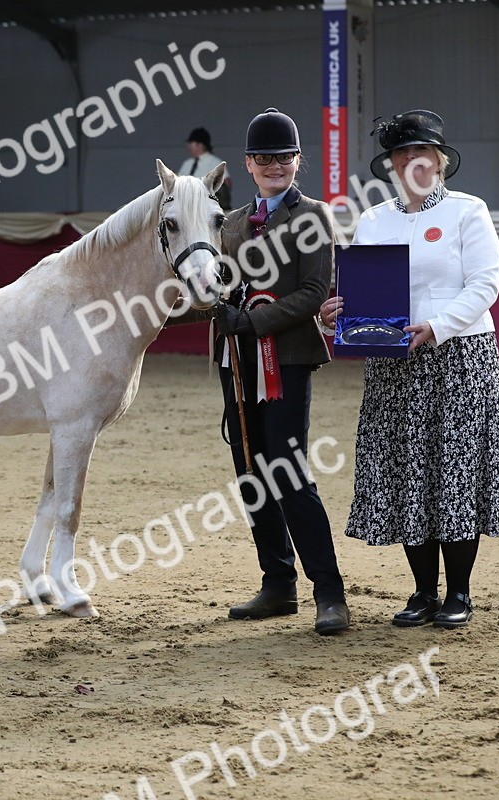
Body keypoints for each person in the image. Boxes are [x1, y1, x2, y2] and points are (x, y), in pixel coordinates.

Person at [321, 109, 499, 629]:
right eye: (402, 153)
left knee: (454, 471)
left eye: (422, 152)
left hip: (459, 359)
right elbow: (360, 297)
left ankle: (458, 593)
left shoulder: (467, 211)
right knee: (406, 471)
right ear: (390, 164)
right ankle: (421, 592)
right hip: (394, 364)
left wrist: (437, 325)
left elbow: (486, 286)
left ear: (440, 162)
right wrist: (335, 315)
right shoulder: (372, 220)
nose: (413, 160)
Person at [210, 108, 350, 635]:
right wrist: (217, 309)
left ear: (297, 162)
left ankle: (329, 592)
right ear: (249, 165)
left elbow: (315, 292)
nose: (274, 166)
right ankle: (277, 583)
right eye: (264, 158)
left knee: (287, 473)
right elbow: (219, 287)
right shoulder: (228, 224)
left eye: (283, 157)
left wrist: (250, 320)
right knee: (250, 475)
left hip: (286, 359)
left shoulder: (313, 216)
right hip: (237, 366)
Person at [178, 127, 232, 209]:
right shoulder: (187, 164)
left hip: (207, 208)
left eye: (190, 143)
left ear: (200, 144)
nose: (188, 146)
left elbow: (226, 184)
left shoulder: (214, 162)